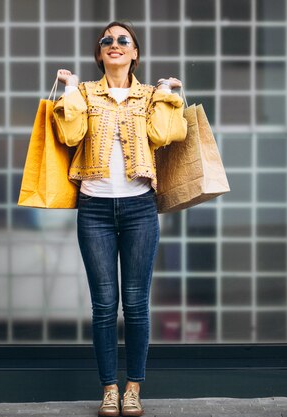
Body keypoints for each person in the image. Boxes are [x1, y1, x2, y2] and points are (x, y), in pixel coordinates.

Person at [53, 21, 187, 417]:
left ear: (134, 54)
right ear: (100, 54)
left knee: (136, 304)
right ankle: (109, 389)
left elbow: (163, 136)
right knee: (103, 306)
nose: (114, 44)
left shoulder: (148, 95)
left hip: (139, 209)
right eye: (106, 40)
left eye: (122, 40)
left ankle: (133, 389)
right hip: (94, 208)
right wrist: (70, 90)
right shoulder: (84, 93)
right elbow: (71, 135)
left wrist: (165, 96)